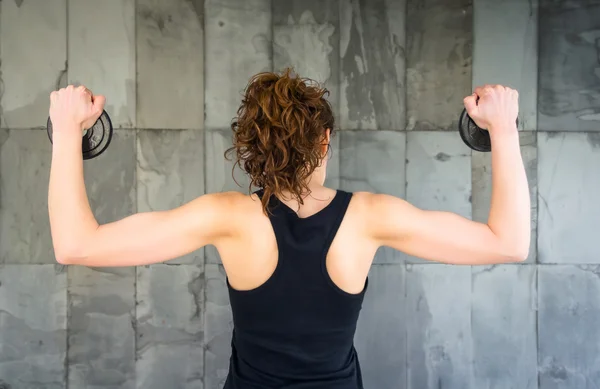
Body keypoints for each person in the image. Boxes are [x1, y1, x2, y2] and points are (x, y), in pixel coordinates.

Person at [48, 69, 530, 389]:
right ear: (325, 140)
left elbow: (76, 244)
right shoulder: (369, 217)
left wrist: (69, 131)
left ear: (253, 145)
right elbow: (508, 244)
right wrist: (503, 129)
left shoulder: (228, 218)